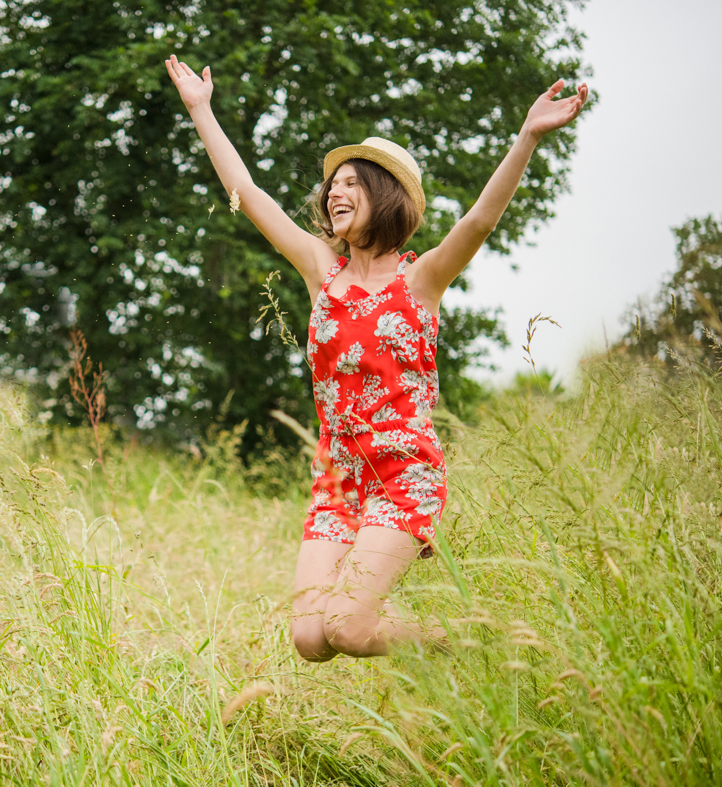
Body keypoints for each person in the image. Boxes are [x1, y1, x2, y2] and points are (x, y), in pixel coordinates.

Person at [165, 54, 588, 661]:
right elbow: (247, 194)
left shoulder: (422, 281)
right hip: (338, 478)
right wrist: (201, 110)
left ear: (385, 196)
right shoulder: (320, 270)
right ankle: (432, 630)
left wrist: (527, 135)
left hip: (403, 476)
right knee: (310, 639)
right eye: (332, 185)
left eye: (352, 183)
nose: (334, 192)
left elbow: (479, 220)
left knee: (348, 628)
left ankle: (480, 645)